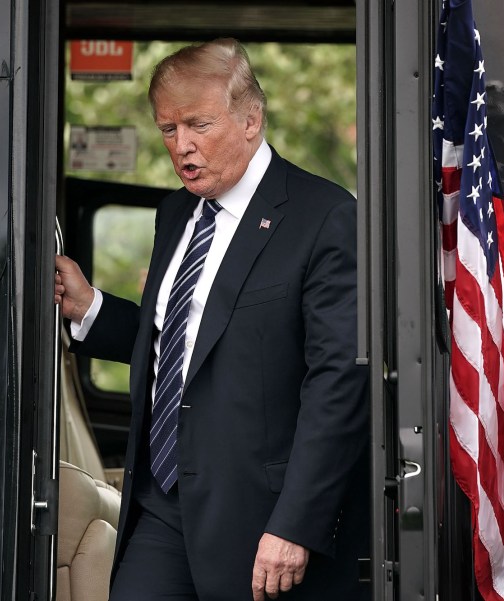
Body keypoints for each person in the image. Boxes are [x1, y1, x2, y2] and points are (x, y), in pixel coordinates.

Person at [55, 38, 369, 601]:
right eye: (168, 130)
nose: (183, 147)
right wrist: (91, 310)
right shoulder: (175, 210)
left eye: (198, 125)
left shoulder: (324, 217)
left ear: (251, 120)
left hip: (261, 516)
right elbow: (188, 344)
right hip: (162, 505)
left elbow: (338, 383)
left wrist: (296, 523)